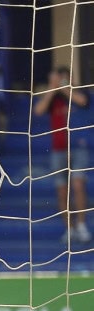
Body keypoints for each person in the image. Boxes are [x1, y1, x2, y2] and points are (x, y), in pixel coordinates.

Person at [33, 65, 91, 245]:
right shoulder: (54, 98)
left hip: (78, 147)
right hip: (58, 150)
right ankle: (69, 229)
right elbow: (38, 110)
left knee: (78, 185)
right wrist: (52, 88)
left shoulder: (79, 92)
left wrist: (65, 87)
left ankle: (81, 226)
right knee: (62, 191)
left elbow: (83, 102)